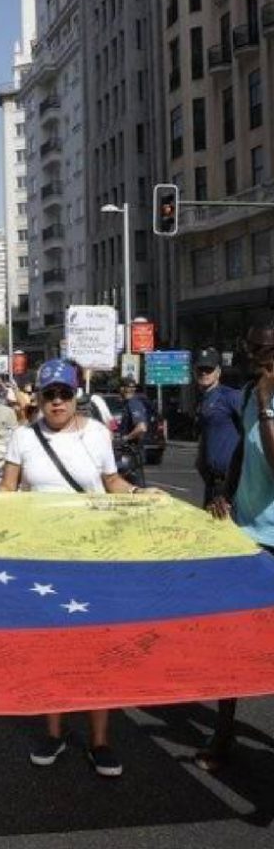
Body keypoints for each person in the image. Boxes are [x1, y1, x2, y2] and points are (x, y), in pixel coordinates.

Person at [0, 358, 155, 778]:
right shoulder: (23, 437)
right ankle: (54, 732)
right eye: (48, 394)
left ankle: (100, 740)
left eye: (64, 393)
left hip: (93, 557)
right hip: (42, 561)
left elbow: (112, 483)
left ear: (75, 395)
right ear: (39, 398)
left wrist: (139, 493)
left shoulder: (98, 435)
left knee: (98, 648)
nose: (56, 402)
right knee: (50, 647)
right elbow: (7, 491)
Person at [197, 319, 274, 771]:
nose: (257, 360)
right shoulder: (247, 394)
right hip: (247, 533)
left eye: (265, 353)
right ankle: (222, 734)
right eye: (251, 351)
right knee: (233, 638)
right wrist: (225, 489)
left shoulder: (259, 398)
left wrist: (265, 405)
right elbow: (246, 452)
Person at [194, 347, 243, 507]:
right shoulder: (202, 401)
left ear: (218, 372)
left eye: (209, 369)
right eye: (201, 369)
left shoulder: (230, 396)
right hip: (212, 483)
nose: (204, 373)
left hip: (231, 483)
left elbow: (251, 428)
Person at [118, 376, 150, 486]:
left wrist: (125, 438)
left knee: (135, 486)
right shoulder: (128, 403)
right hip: (130, 452)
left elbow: (142, 427)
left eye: (129, 387)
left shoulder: (133, 403)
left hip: (133, 452)